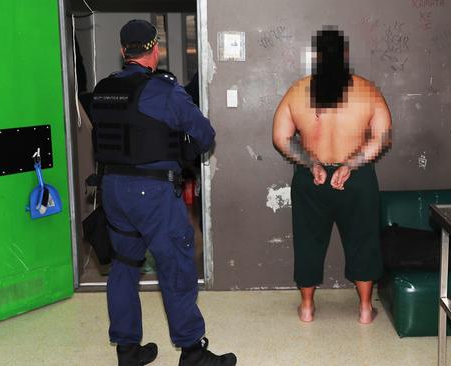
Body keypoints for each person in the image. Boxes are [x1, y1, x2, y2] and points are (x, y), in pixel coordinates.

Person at [90, 19, 236, 366]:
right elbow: (204, 134)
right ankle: (193, 352)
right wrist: (181, 152)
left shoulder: (103, 90)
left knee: (124, 264)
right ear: (155, 49)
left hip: (112, 189)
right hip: (151, 192)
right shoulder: (164, 90)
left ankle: (127, 350)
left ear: (124, 51)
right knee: (175, 265)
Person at [272, 27, 392, 324]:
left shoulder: (297, 91)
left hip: (312, 180)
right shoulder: (367, 91)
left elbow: (281, 137)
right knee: (363, 241)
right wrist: (351, 165)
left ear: (316, 57)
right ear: (345, 55)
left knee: (307, 242)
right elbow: (383, 137)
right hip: (356, 179)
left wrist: (311, 163)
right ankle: (365, 310)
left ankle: (307, 307)